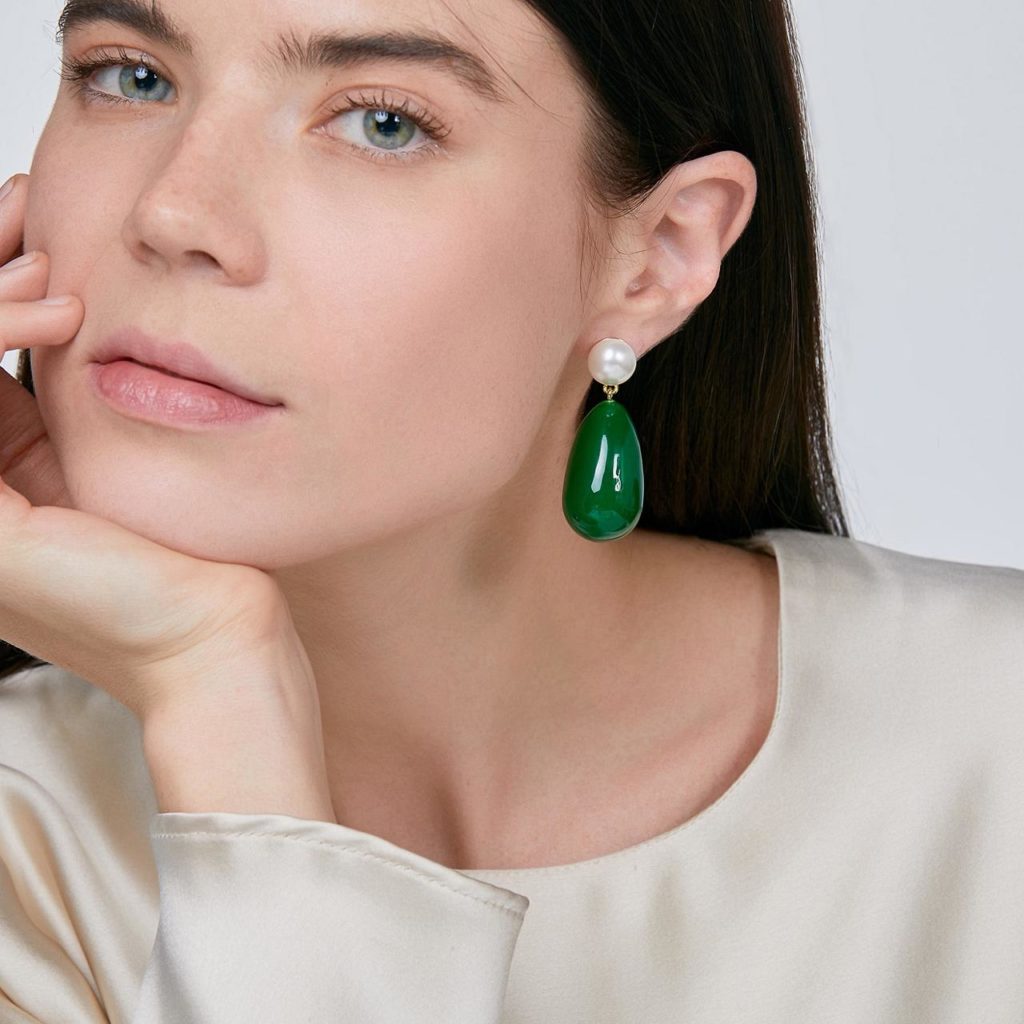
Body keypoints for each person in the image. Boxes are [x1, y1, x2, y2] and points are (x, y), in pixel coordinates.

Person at [0, 0, 1021, 1020]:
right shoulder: (24, 837)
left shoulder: (991, 741)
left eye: (383, 123)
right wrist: (217, 694)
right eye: (130, 76)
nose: (174, 214)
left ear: (659, 254)